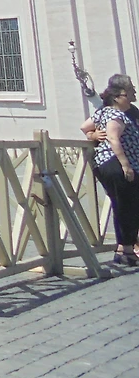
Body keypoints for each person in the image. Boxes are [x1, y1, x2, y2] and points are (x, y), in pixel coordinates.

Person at [82, 74, 139, 264]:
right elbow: (113, 138)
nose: (133, 92)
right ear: (117, 96)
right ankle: (126, 250)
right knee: (126, 204)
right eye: (129, 91)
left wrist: (91, 134)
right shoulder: (114, 114)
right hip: (116, 163)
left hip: (124, 163)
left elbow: (85, 126)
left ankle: (125, 248)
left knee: (124, 204)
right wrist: (125, 165)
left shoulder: (129, 111)